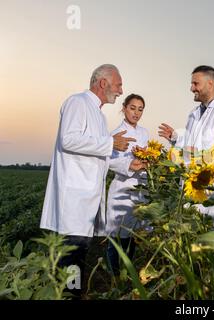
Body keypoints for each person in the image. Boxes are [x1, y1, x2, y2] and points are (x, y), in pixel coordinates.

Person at [40, 64, 147, 297]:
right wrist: (110, 143)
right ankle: (69, 295)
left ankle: (71, 293)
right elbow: (68, 140)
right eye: (118, 85)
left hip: (86, 196)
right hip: (75, 197)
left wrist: (129, 164)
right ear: (103, 83)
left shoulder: (97, 113)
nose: (120, 90)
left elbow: (98, 157)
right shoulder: (78, 102)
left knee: (78, 252)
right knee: (72, 254)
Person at [158, 65, 214, 227]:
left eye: (195, 84)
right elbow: (192, 142)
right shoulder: (193, 114)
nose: (191, 88)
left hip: (212, 191)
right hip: (192, 187)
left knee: (210, 240)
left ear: (210, 84)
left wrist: (200, 155)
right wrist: (175, 137)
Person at [103, 93, 149, 277]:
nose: (136, 113)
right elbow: (108, 161)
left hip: (139, 189)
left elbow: (145, 155)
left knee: (132, 235)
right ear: (124, 108)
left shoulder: (144, 133)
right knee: (116, 236)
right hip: (122, 188)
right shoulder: (116, 134)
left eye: (140, 109)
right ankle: (113, 277)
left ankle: (128, 274)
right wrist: (129, 164)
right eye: (132, 108)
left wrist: (148, 160)